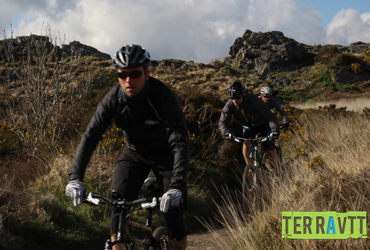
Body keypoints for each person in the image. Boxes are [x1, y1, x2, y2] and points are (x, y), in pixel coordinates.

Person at [65, 44, 188, 250]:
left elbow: (179, 142)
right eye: (122, 75)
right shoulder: (113, 99)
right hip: (134, 153)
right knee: (117, 204)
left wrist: (176, 185)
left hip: (166, 156)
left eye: (135, 74)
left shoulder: (162, 97)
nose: (128, 80)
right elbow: (90, 136)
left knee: (173, 212)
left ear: (146, 74)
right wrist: (75, 177)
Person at [218, 81, 280, 171]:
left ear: (243, 94)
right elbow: (222, 122)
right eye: (232, 98)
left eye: (238, 97)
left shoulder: (254, 101)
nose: (235, 100)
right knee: (246, 145)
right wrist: (226, 133)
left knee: (269, 147)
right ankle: (251, 170)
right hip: (249, 127)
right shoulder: (230, 105)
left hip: (263, 124)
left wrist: (274, 130)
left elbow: (270, 116)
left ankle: (277, 172)